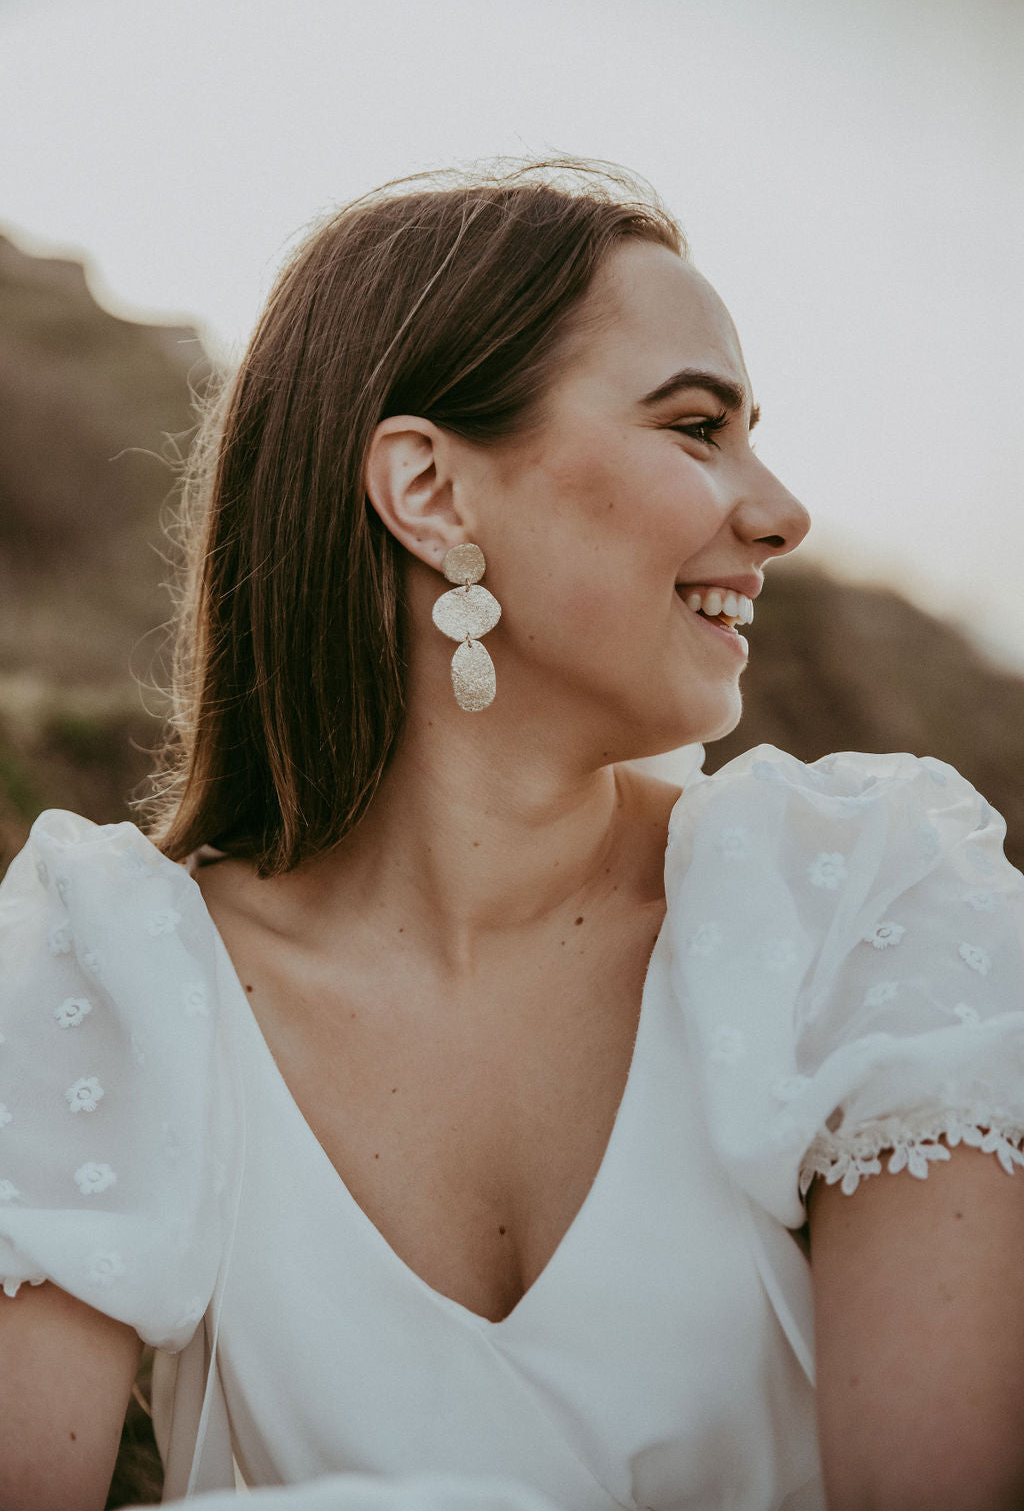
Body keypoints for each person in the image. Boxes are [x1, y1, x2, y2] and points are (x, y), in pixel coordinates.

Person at [1, 159, 1023, 1511]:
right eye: (696, 425)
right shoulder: (113, 970)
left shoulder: (854, 896)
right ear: (431, 491)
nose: (779, 513)